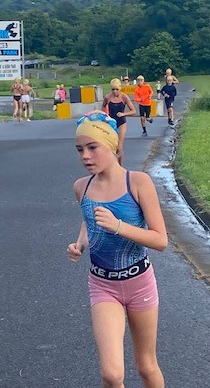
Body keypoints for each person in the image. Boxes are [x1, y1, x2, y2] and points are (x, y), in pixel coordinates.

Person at [67, 111, 168, 388]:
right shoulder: (82, 187)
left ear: (112, 145)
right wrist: (80, 243)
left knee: (146, 366)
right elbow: (89, 220)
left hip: (139, 282)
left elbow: (160, 240)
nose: (85, 156)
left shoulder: (137, 182)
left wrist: (118, 226)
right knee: (111, 375)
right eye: (80, 149)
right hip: (103, 285)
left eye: (92, 147)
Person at [101, 78, 136, 165]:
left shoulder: (124, 97)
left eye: (117, 89)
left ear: (120, 88)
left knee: (119, 146)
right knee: (111, 146)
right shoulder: (108, 97)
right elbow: (103, 106)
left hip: (121, 123)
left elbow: (133, 111)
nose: (115, 91)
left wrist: (124, 114)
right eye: (113, 89)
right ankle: (113, 165)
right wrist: (104, 116)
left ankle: (120, 166)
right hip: (111, 123)